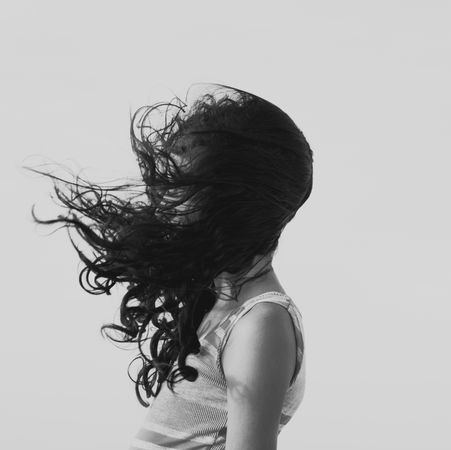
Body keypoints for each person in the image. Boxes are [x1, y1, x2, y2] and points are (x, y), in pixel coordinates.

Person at [26, 83, 314, 449]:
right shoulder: (220, 305)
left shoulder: (261, 322)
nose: (164, 201)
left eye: (185, 186)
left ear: (236, 203)